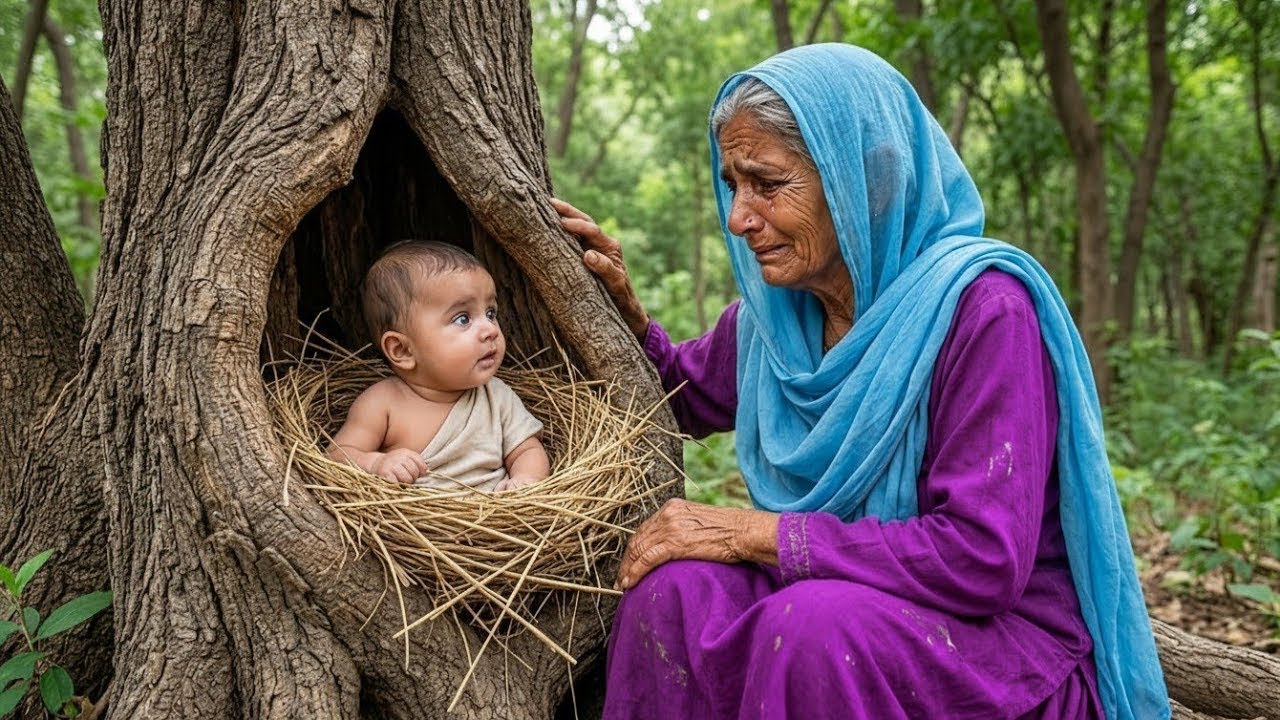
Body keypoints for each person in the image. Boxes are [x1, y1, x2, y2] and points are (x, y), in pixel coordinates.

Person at [555, 44, 1168, 719]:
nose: (739, 218)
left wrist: (752, 532)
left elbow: (980, 558)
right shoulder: (776, 319)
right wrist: (620, 314)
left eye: (767, 182)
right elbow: (682, 395)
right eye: (733, 184)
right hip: (838, 595)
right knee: (673, 593)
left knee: (813, 628)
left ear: (862, 181)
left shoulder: (984, 310)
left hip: (989, 639)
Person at [327, 241, 550, 493]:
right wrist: (376, 462)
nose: (490, 330)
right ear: (402, 350)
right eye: (463, 318)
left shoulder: (496, 397)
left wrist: (525, 479)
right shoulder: (383, 403)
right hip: (414, 525)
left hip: (494, 518)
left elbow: (528, 449)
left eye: (490, 313)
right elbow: (338, 454)